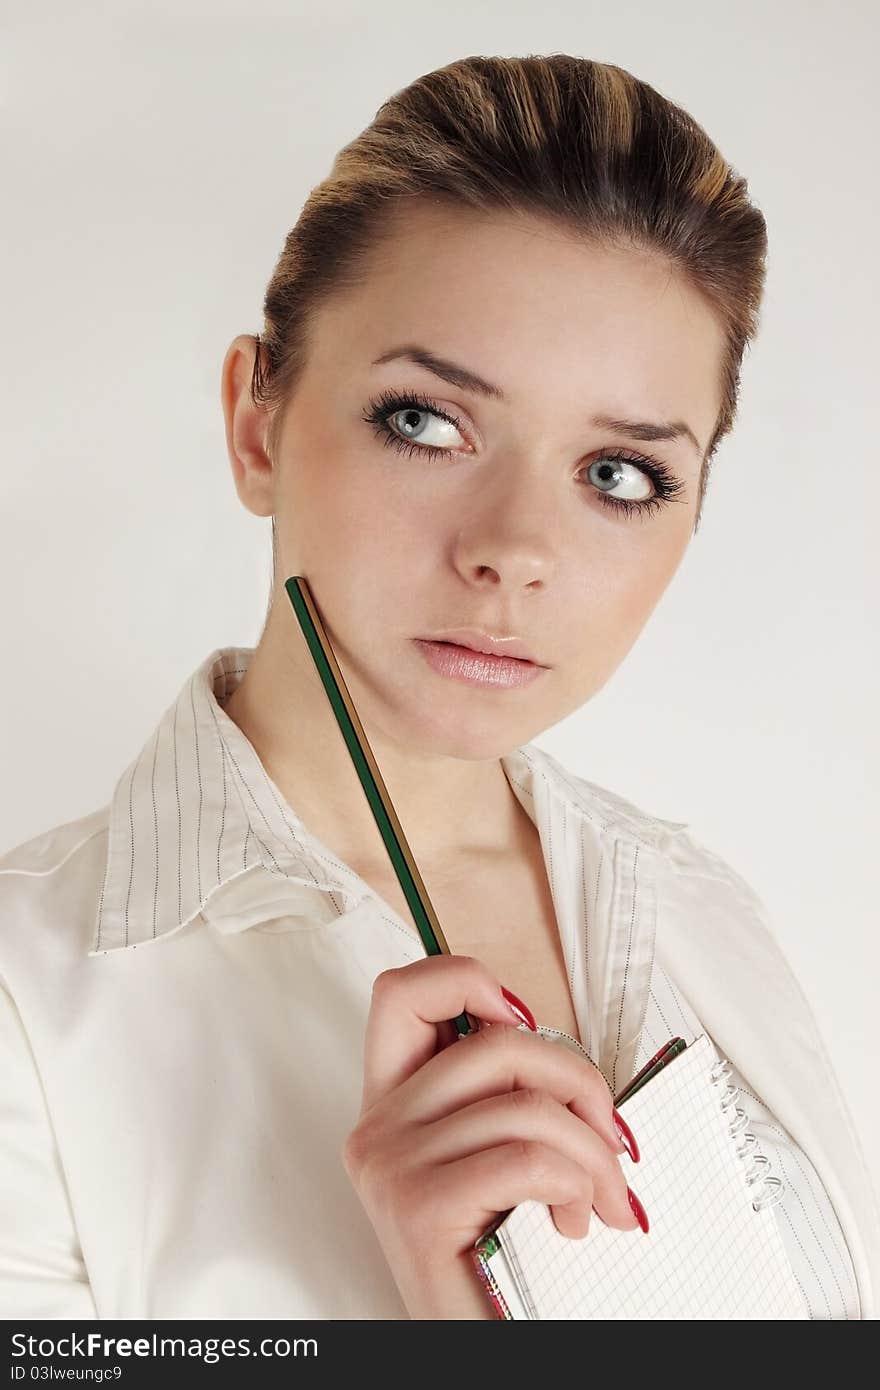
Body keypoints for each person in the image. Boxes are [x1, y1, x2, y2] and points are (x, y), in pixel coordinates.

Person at [1, 53, 877, 1322]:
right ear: (258, 422)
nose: (514, 548)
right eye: (424, 421)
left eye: (620, 474)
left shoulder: (695, 905)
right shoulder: (32, 1003)